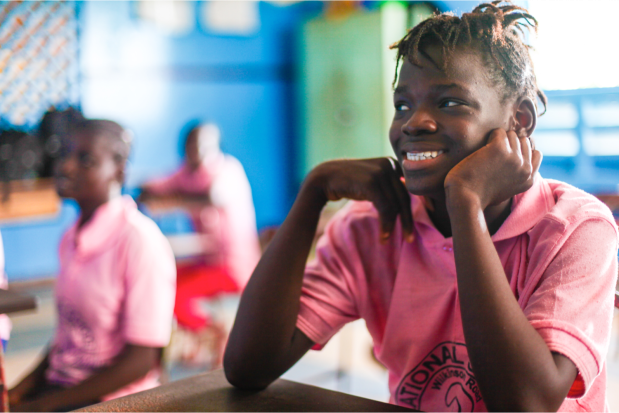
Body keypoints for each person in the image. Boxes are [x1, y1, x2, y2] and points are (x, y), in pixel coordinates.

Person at [223, 2, 618, 412]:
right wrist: (312, 194)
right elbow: (248, 367)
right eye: (402, 105)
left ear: (519, 120)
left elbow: (527, 405)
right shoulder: (373, 227)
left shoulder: (575, 227)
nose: (413, 123)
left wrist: (464, 202)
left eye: (449, 103)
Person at [8, 119, 176, 413]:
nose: (66, 167)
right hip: (64, 387)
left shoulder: (139, 241)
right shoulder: (71, 237)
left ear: (119, 170)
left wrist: (42, 406)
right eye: (64, 155)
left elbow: (141, 361)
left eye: (85, 160)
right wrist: (20, 390)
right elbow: (68, 340)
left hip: (115, 399)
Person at [141, 123, 260, 365]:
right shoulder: (186, 173)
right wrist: (150, 192)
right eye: (192, 145)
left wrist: (171, 199)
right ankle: (201, 338)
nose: (198, 150)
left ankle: (213, 332)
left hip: (234, 265)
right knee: (161, 283)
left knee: (174, 294)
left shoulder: (228, 170)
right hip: (206, 259)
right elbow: (154, 186)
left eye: (204, 144)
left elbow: (213, 196)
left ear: (216, 146)